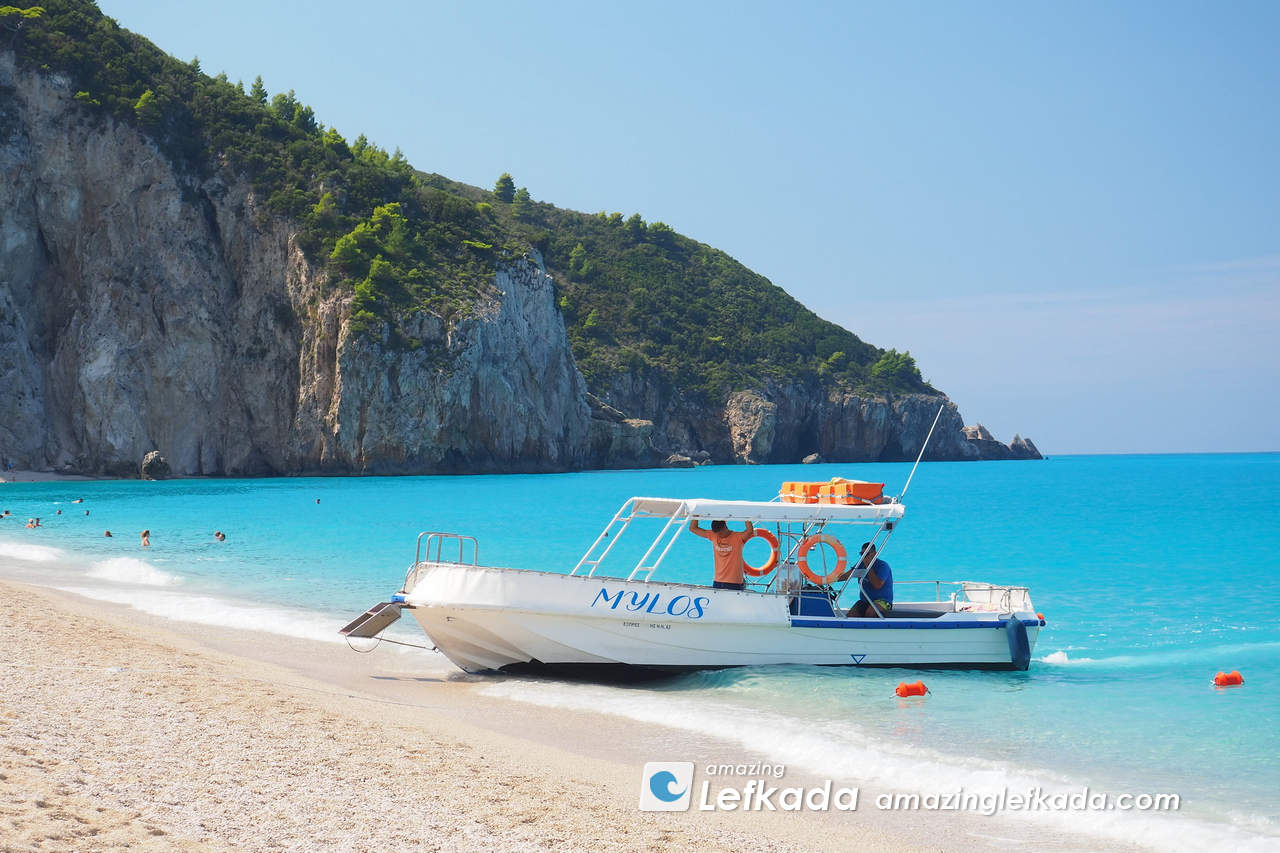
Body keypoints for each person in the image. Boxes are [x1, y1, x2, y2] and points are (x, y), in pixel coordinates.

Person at [689, 518, 755, 590]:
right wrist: (696, 515)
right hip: (718, 581)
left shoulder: (738, 537)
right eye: (717, 533)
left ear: (725, 527)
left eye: (720, 533)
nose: (719, 535)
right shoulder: (713, 535)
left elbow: (749, 531)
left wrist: (746, 516)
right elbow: (693, 528)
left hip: (735, 582)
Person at [843, 542, 893, 618]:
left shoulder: (883, 566)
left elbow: (877, 585)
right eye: (862, 554)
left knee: (870, 613)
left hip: (882, 601)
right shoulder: (860, 564)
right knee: (850, 616)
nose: (863, 557)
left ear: (874, 553)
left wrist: (868, 567)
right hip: (865, 601)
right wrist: (829, 580)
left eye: (866, 554)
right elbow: (847, 575)